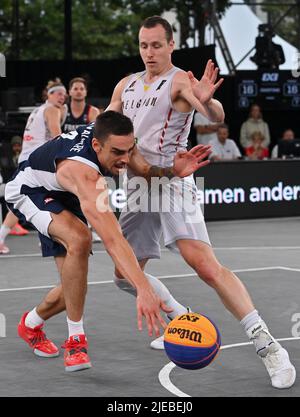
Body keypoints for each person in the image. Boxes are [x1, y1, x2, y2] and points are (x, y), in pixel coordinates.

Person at [106, 16, 295, 389]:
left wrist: (209, 105)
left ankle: (268, 345)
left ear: (171, 44)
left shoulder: (179, 80)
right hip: (139, 185)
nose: (149, 52)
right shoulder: (126, 85)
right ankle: (180, 316)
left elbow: (214, 112)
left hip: (174, 180)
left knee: (205, 266)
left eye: (157, 45)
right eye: (144, 45)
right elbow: (108, 123)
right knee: (123, 276)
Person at [5, 111, 211, 372]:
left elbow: (145, 170)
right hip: (31, 190)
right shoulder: (85, 175)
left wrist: (173, 171)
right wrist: (144, 290)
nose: (125, 160)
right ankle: (76, 341)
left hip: (65, 193)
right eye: (117, 153)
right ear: (96, 145)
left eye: (129, 150)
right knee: (81, 239)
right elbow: (114, 241)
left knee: (71, 287)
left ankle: (30, 324)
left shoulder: (118, 139)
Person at [0, 80, 68, 255]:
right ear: (49, 95)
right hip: (36, 163)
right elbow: (57, 137)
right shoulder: (51, 109)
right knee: (65, 194)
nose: (63, 96)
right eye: (58, 93)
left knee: (25, 202)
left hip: (28, 160)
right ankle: (53, 235)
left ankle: (3, 238)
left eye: (64, 93)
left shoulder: (38, 109)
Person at [63, 77, 101, 242]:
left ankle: (93, 228)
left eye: (81, 88)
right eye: (75, 88)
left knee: (91, 194)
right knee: (64, 195)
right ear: (69, 91)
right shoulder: (62, 110)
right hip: (65, 157)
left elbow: (96, 136)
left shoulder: (92, 112)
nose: (78, 91)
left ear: (85, 92)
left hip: (85, 158)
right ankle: (58, 230)